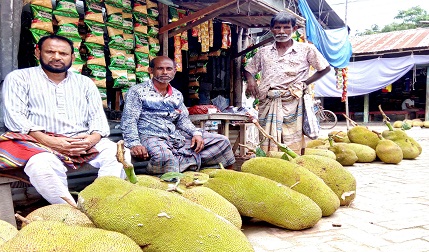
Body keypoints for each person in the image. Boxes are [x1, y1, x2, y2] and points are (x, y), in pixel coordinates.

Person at [0, 34, 129, 205]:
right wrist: (49, 141)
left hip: (81, 139)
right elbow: (15, 117)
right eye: (50, 52)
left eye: (63, 54)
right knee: (40, 166)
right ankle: (70, 210)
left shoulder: (85, 83)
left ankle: (101, 203)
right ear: (38, 52)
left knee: (120, 154)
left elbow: (98, 118)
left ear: (72, 57)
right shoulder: (19, 78)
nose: (56, 57)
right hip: (39, 141)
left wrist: (93, 138)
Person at [121, 56, 235, 174]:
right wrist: (134, 144)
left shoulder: (177, 95)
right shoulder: (137, 91)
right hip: (150, 136)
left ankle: (181, 164)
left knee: (222, 142)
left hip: (175, 137)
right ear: (151, 70)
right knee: (164, 156)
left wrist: (196, 133)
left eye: (169, 69)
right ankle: (176, 171)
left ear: (174, 71)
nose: (165, 72)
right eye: (160, 68)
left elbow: (183, 120)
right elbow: (129, 120)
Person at [244, 11, 331, 154]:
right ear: (271, 29)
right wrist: (251, 81)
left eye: (286, 27)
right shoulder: (263, 52)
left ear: (294, 29)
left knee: (292, 140)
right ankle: (269, 167)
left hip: (293, 102)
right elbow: (249, 69)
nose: (281, 31)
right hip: (268, 101)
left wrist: (305, 83)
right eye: (277, 27)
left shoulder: (306, 49)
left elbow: (325, 68)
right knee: (267, 138)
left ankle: (294, 169)